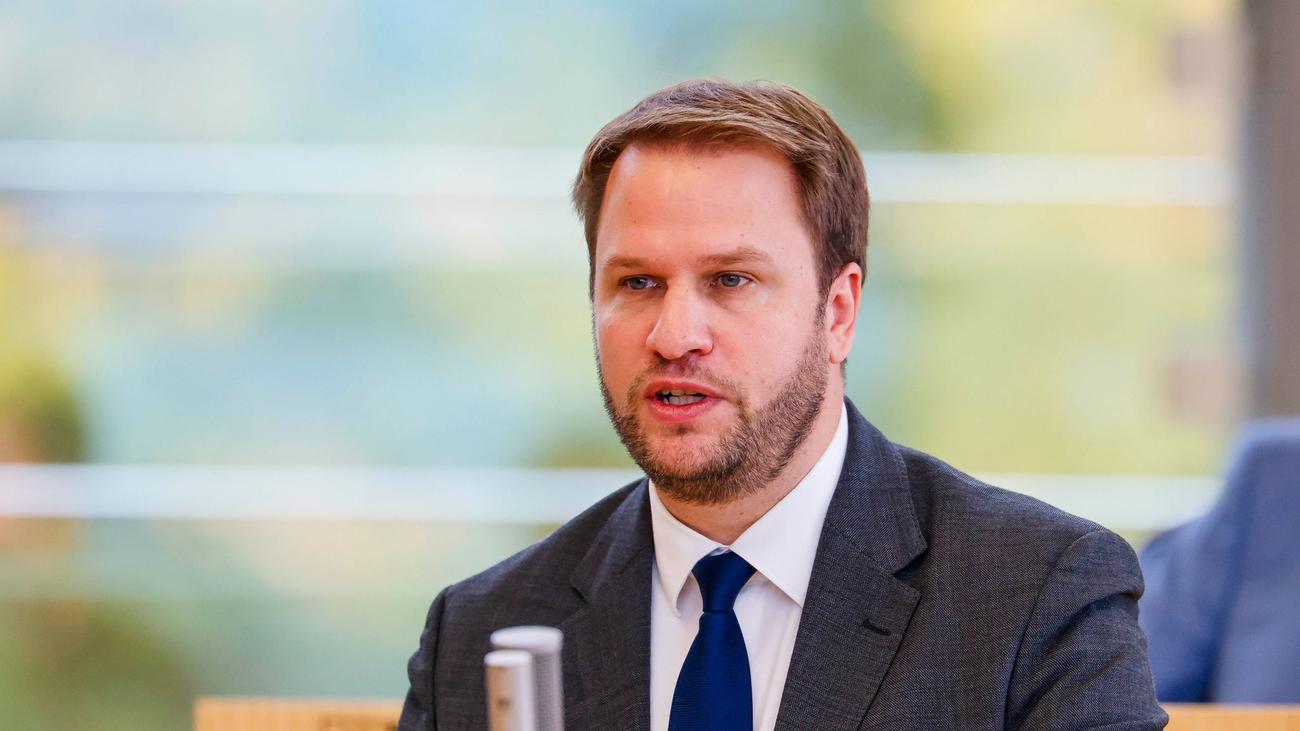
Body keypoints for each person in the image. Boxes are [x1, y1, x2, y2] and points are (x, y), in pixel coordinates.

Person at [398, 79, 1166, 731]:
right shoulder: (479, 633)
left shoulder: (1037, 598)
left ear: (839, 312)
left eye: (731, 280)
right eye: (637, 283)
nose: (674, 334)